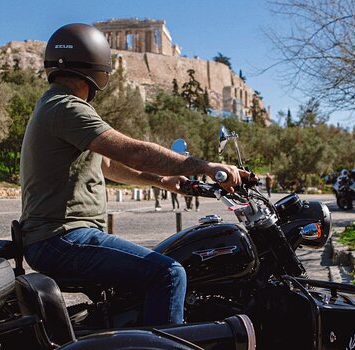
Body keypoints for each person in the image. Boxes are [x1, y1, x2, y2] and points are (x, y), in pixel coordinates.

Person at [20, 23, 245, 326]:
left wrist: (163, 180)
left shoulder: (55, 105)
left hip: (58, 238)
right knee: (169, 273)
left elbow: (109, 164)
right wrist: (202, 166)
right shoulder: (66, 107)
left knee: (150, 271)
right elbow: (132, 152)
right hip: (62, 238)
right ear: (96, 65)